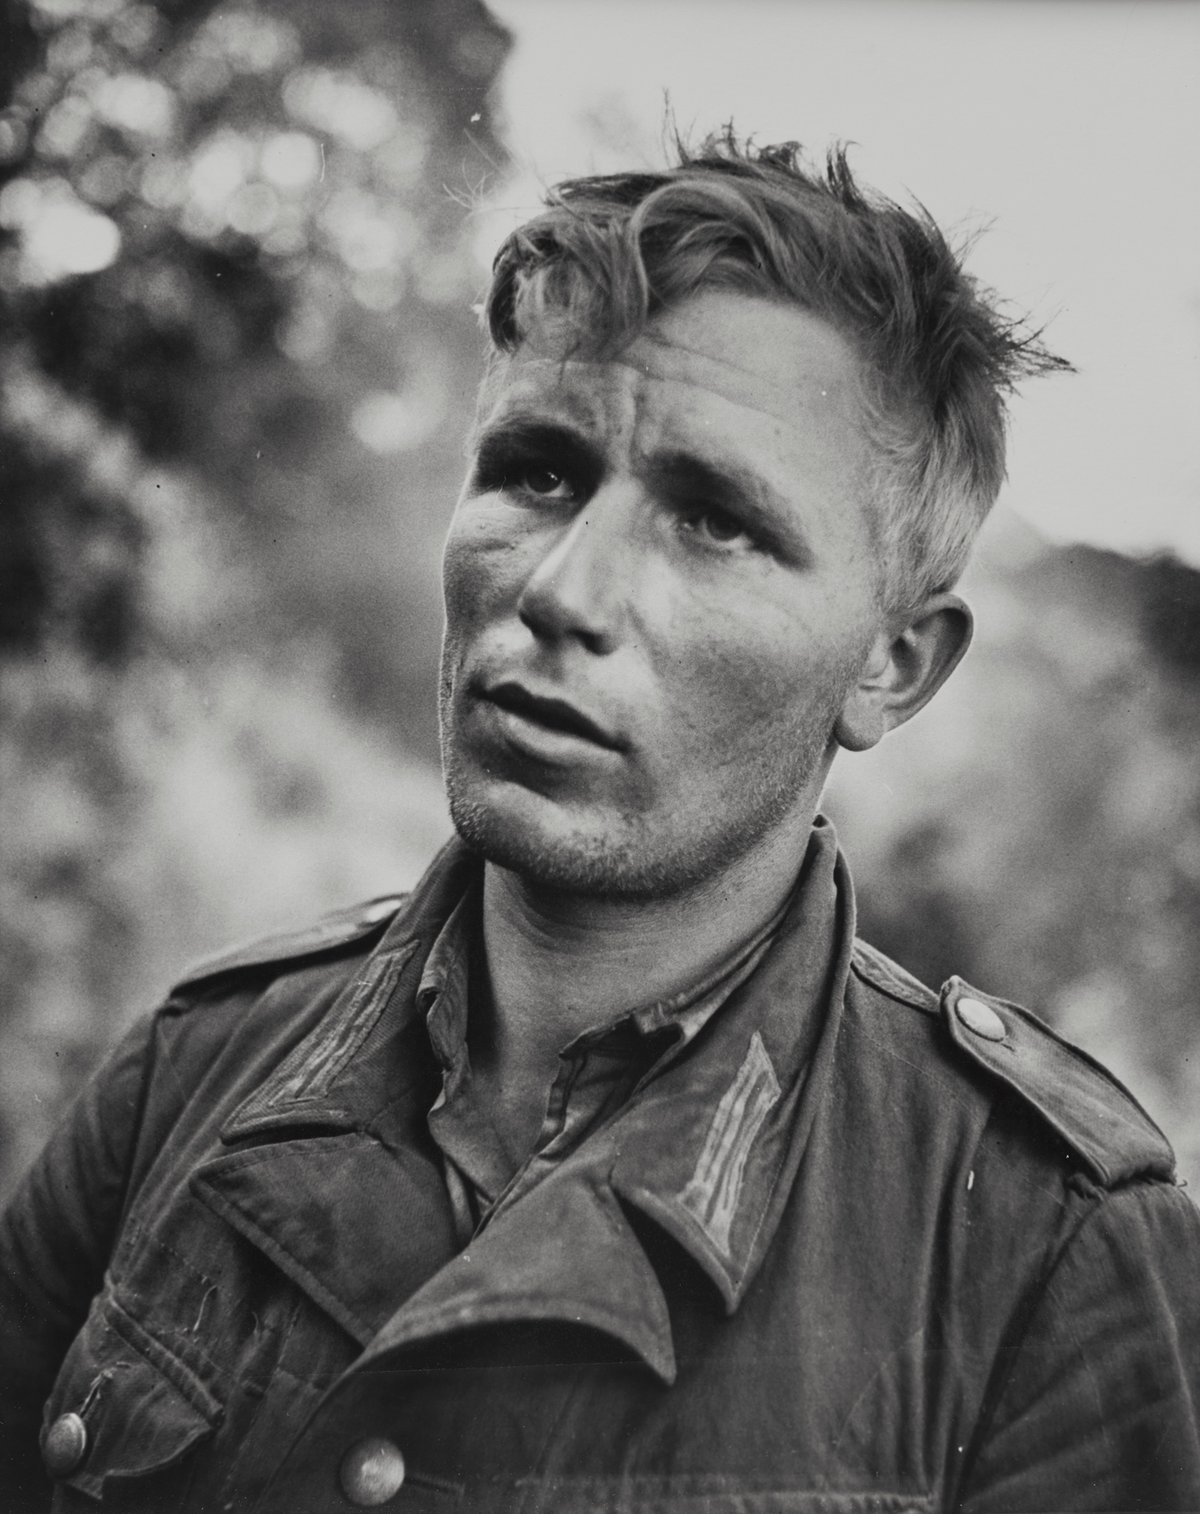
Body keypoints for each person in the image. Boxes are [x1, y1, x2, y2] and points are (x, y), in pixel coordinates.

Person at [2, 132, 1198, 1514]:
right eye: (539, 472)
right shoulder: (196, 1066)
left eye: (715, 522)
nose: (565, 591)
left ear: (893, 667)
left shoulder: (1046, 1251)